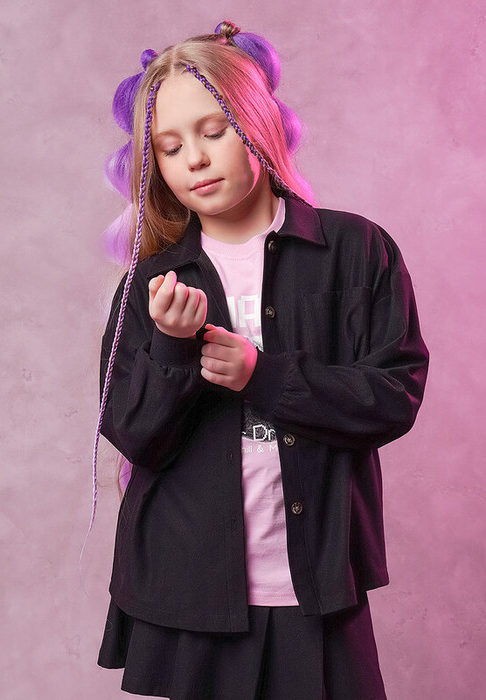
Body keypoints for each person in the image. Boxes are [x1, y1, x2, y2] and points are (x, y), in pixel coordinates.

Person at [94, 21, 429, 699]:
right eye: (169, 147)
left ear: (258, 124)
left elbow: (393, 397)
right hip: (188, 589)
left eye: (213, 131)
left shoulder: (356, 251)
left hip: (318, 580)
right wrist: (171, 348)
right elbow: (133, 437)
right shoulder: (148, 284)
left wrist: (263, 376)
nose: (194, 159)